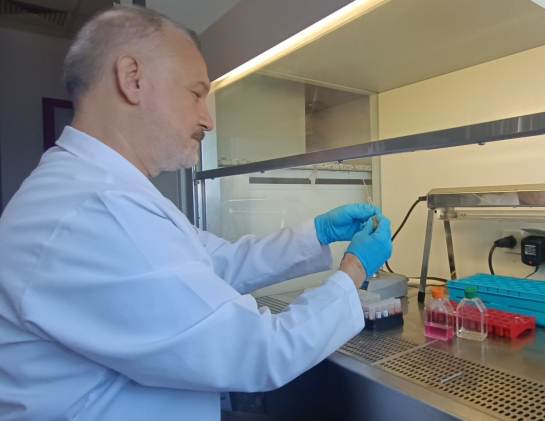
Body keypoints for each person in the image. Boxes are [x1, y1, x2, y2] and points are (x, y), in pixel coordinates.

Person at [0, 5, 392, 421]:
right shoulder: (95, 210)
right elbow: (258, 352)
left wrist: (318, 233)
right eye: (196, 93)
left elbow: (217, 263)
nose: (207, 120)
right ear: (133, 79)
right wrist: (354, 271)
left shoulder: (103, 192)